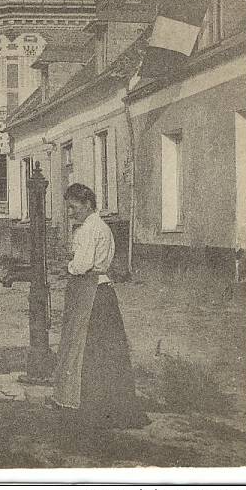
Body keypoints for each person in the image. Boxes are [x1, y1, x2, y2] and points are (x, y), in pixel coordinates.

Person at [51, 183, 149, 429]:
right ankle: (114, 408)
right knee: (109, 352)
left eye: (73, 208)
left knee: (85, 350)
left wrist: (69, 266)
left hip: (90, 294)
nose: (71, 213)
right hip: (105, 293)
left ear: (87, 204)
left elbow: (81, 265)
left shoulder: (87, 230)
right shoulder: (103, 227)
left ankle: (87, 409)